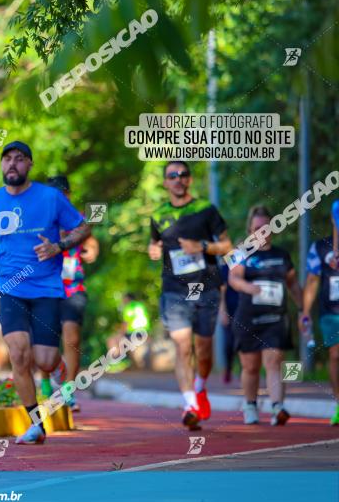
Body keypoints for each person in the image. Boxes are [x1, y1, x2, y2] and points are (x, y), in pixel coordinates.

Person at [0, 140, 91, 445]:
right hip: (10, 288)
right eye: (7, 159)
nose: (12, 164)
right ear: (1, 165)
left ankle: (57, 367)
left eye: (20, 159)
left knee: (45, 360)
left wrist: (59, 246)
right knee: (18, 353)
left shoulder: (50, 197)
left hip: (47, 289)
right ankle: (35, 422)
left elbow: (83, 228)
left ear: (29, 165)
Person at [148, 161, 232, 430]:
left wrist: (202, 246)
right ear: (165, 182)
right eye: (172, 175)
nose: (178, 179)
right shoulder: (158, 214)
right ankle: (189, 405)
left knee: (203, 352)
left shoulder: (205, 209)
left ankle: (200, 386)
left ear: (189, 180)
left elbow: (227, 246)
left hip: (206, 287)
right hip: (174, 290)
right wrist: (152, 250)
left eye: (183, 174)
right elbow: (154, 243)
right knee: (183, 347)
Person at [229, 206, 302, 426]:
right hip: (249, 317)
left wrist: (303, 310)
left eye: (266, 227)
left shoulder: (281, 255)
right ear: (250, 229)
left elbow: (293, 285)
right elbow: (234, 278)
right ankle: (250, 405)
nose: (262, 231)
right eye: (257, 227)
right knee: (251, 366)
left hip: (276, 317)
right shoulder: (241, 252)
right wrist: (247, 287)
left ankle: (277, 407)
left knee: (275, 360)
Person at [45, 175, 99, 411]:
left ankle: (68, 391)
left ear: (68, 195)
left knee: (72, 337)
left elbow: (91, 242)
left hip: (72, 285)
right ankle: (46, 383)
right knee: (44, 341)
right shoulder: (41, 219)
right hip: (44, 286)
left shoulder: (78, 219)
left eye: (62, 194)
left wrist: (92, 251)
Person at [301, 199, 339, 426]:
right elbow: (313, 281)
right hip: (331, 310)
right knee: (335, 355)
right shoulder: (320, 247)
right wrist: (305, 311)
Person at [118, 293, 149, 371]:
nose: (123, 301)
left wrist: (121, 334)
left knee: (122, 343)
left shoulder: (128, 307)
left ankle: (134, 365)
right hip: (145, 330)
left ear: (128, 299)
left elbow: (126, 322)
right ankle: (136, 365)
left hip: (134, 331)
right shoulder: (141, 305)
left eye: (124, 299)